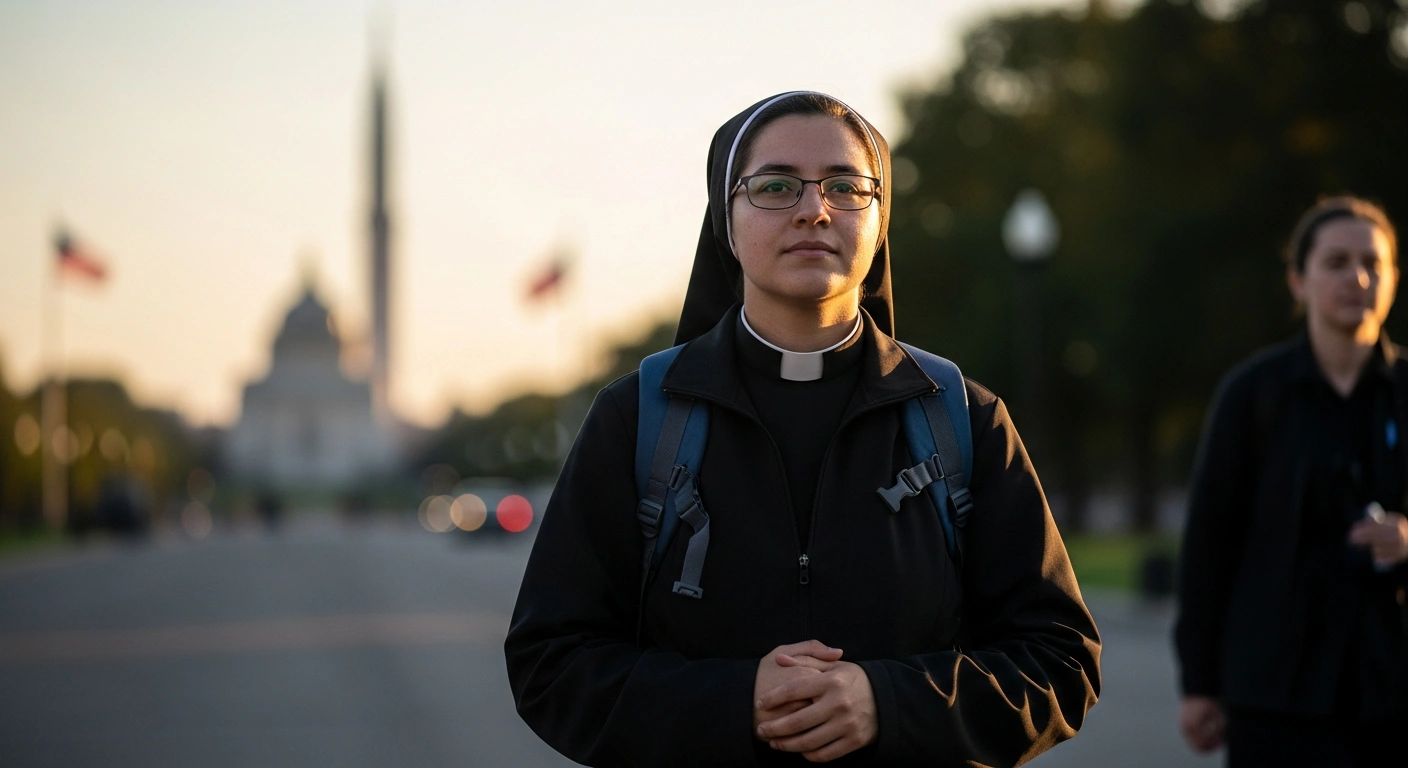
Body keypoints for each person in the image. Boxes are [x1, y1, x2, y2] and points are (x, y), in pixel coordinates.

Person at [505, 92, 1100, 766]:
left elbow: (1061, 661)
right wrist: (733, 701)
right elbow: (550, 663)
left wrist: (891, 701)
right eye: (776, 186)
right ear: (725, 223)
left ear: (879, 223)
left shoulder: (962, 416)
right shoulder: (638, 415)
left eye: (846, 187)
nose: (814, 209)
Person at [1175, 196, 1408, 766]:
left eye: (1372, 263)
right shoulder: (1252, 394)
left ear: (1393, 278)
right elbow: (1209, 543)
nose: (1356, 277)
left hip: (1395, 688)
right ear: (1298, 280)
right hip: (1275, 694)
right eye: (1335, 262)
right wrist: (1200, 683)